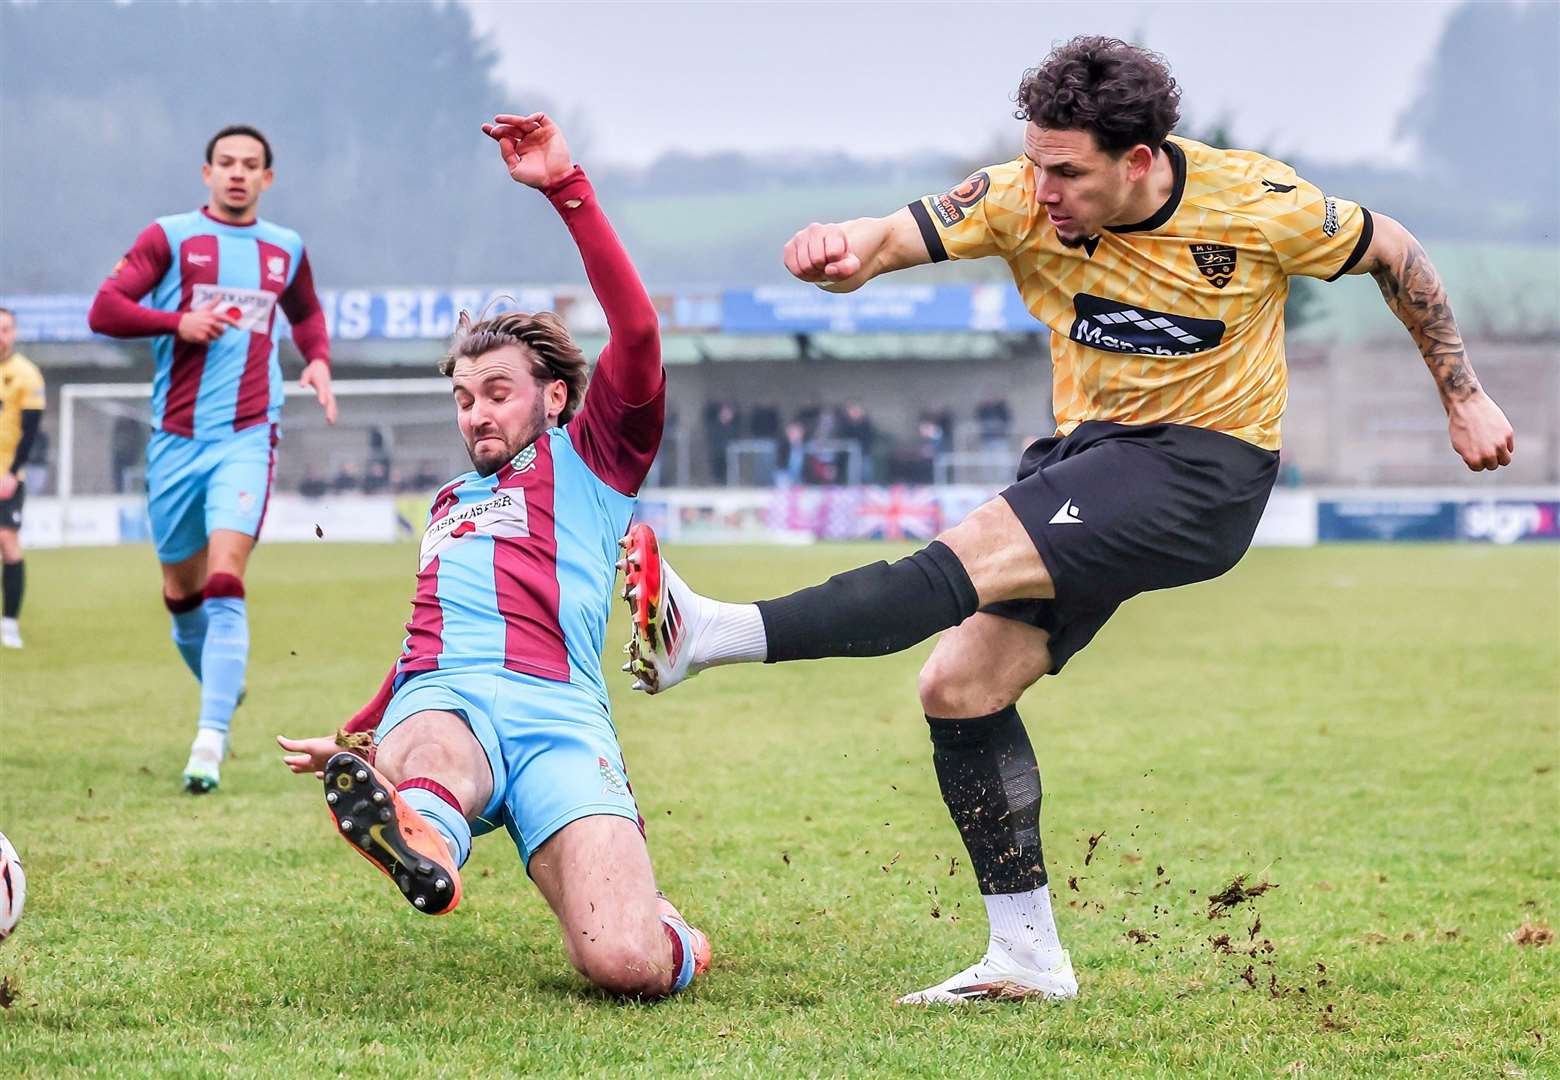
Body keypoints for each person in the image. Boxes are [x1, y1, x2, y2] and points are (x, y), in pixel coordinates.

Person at [619, 37, 1515, 1004]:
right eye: (1036, 162)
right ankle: (1027, 957)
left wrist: (1461, 395)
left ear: (1138, 161)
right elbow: (882, 241)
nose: (1041, 188)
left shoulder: (1256, 203)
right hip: (1089, 457)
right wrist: (842, 255)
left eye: (1067, 171)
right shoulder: (1016, 194)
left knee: (964, 558)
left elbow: (1396, 250)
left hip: (1205, 470)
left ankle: (708, 636)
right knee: (959, 687)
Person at [275, 113, 709, 1000]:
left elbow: (637, 334)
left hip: (561, 719)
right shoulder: (443, 507)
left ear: (553, 396)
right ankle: (421, 833)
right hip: (448, 698)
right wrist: (359, 737)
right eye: (465, 397)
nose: (476, 412)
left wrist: (565, 189)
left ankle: (670, 930)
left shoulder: (593, 458)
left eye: (498, 393)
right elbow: (420, 645)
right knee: (434, 740)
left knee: (622, 965)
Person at [87, 125, 337, 793]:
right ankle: (223, 688)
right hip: (174, 438)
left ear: (267, 178)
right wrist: (178, 323)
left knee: (227, 580)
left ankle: (209, 743)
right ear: (206, 173)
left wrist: (316, 360)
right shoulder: (169, 238)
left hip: (250, 434)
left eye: (250, 165)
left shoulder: (285, 249)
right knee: (181, 593)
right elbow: (104, 310)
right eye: (226, 162)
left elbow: (307, 312)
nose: (237, 173)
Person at [0, 307, 46, 649]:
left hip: (6, 476)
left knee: (8, 543)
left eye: (6, 330)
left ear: (14, 333)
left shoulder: (26, 375)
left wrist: (12, 473)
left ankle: (10, 622)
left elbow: (30, 433)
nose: (1, 337)